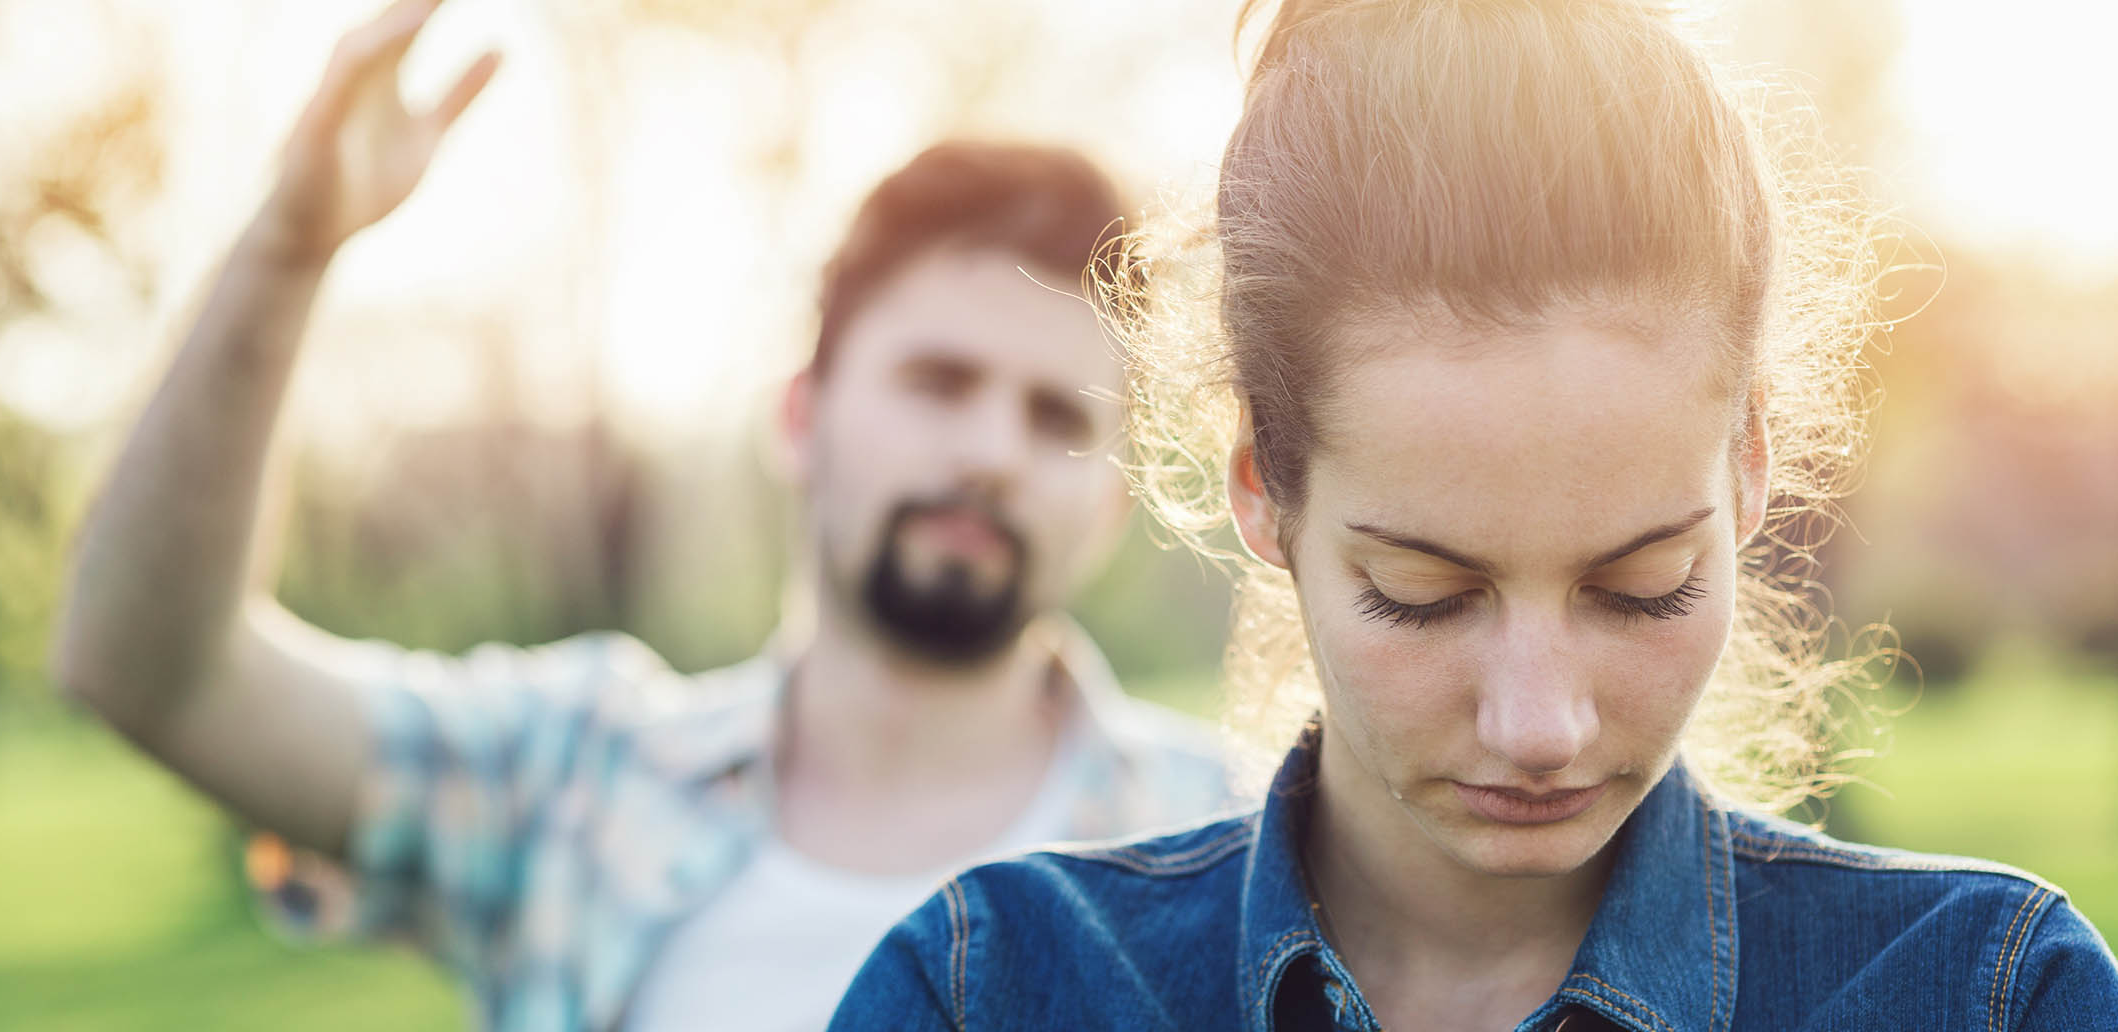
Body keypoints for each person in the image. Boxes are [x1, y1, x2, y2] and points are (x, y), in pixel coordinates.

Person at [827, 0, 2118, 1028]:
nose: (1540, 724)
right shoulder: (988, 990)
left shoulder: (1992, 995)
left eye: (1643, 583)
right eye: (1424, 594)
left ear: (1750, 471)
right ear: (1261, 495)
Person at [51, 1, 1240, 1029]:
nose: (990, 451)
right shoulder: (571, 784)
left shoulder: (1236, 855)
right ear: (799, 417)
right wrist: (284, 251)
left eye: (1055, 417)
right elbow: (156, 672)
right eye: (937, 383)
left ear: (1109, 501)